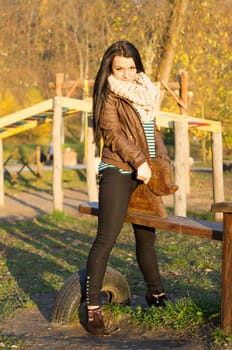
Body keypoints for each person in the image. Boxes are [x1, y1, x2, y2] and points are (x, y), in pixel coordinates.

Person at [85, 40, 170, 336]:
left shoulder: (145, 93)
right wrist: (138, 161)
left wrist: (162, 162)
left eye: (131, 67)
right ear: (110, 67)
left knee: (147, 240)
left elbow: (152, 130)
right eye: (119, 68)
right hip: (119, 170)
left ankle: (156, 294)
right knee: (105, 239)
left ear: (138, 67)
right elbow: (114, 134)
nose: (126, 74)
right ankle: (92, 308)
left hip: (145, 173)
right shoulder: (109, 94)